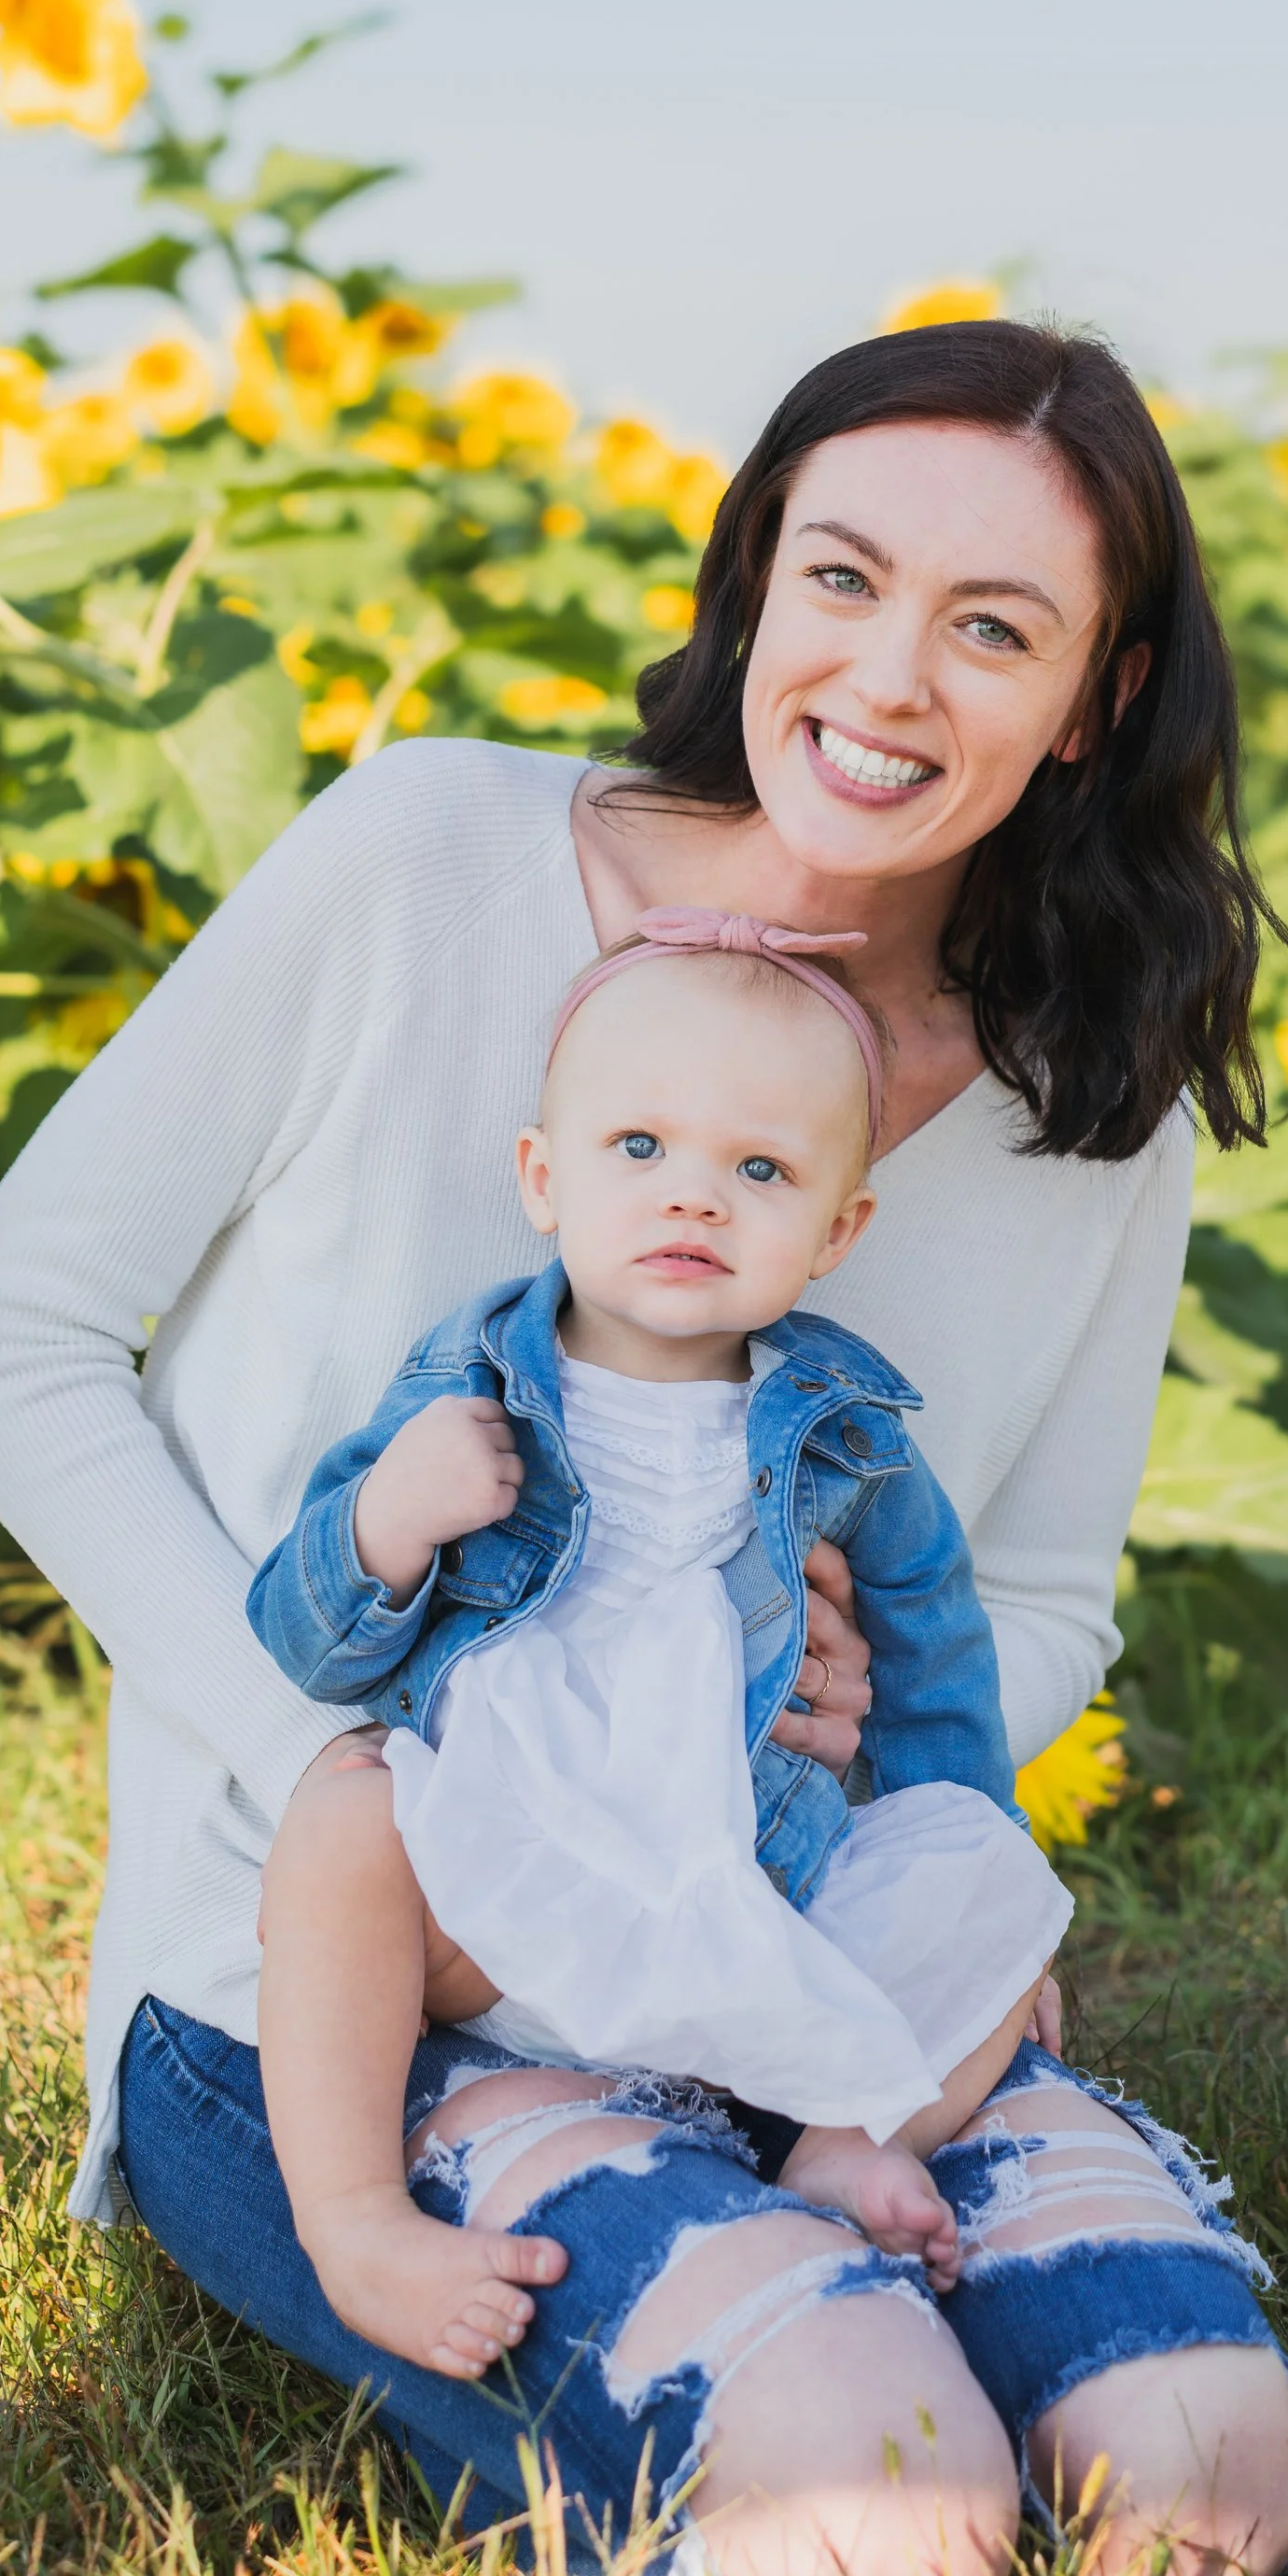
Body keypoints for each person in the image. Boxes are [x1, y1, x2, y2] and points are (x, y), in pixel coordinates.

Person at [0, 316, 1288, 2576]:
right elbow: (15, 1336)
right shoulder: (430, 857)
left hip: (779, 1955)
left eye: (991, 627)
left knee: (1196, 2492)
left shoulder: (1092, 1093)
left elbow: (1049, 1583)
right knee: (882, 2541)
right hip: (326, 2001)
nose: (886, 676)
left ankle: (859, 2225)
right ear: (753, 583)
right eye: (840, 575)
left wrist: (869, 1719)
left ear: (1092, 696)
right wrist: (365, 1798)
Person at [240, 912, 1074, 2378]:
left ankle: (840, 2144)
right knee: (344, 1815)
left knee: (1001, 1889)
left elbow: (938, 1669)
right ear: (542, 1181)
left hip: (760, 1897)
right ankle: (354, 2219)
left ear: (837, 1231)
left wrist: (971, 1866)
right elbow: (303, 1641)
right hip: (501, 1896)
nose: (694, 1197)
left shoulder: (849, 1444)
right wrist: (388, 1519)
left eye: (760, 1171)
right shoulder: (473, 1383)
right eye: (639, 1149)